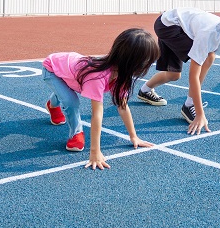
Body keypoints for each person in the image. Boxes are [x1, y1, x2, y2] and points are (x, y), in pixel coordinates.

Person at [137, 3, 220, 134]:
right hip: (169, 26)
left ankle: (145, 90)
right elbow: (193, 75)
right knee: (209, 57)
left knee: (173, 75)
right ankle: (189, 105)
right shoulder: (209, 34)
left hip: (175, 23)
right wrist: (200, 114)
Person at [42, 28, 160, 170]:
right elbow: (97, 114)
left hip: (71, 74)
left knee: (66, 91)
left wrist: (133, 137)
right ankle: (76, 133)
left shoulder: (122, 75)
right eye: (146, 62)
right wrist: (95, 152)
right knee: (71, 101)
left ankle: (52, 105)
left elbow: (122, 106)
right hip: (53, 68)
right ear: (133, 61)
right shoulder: (97, 76)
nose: (147, 66)